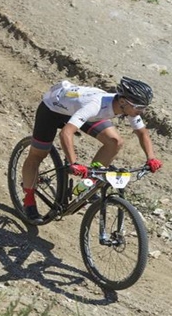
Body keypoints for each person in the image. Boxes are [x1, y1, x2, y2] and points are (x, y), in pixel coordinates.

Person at [21, 77, 163, 219]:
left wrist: (151, 158)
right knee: (38, 155)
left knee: (115, 141)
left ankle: (88, 184)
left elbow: (142, 132)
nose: (142, 111)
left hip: (79, 112)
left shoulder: (127, 108)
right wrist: (74, 164)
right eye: (139, 107)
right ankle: (28, 200)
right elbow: (66, 133)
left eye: (144, 107)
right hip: (52, 111)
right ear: (122, 101)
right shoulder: (95, 105)